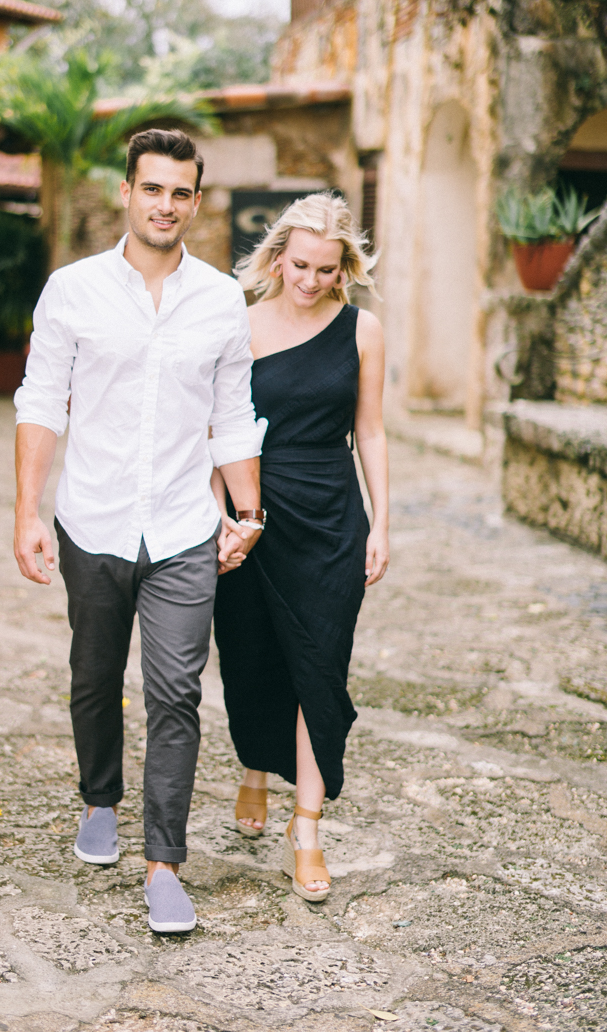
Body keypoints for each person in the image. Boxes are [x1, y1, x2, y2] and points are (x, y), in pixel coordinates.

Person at [13, 128, 265, 934]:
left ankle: (164, 866)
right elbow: (40, 401)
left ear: (197, 200)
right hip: (92, 519)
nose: (166, 204)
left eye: (181, 192)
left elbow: (232, 417)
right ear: (127, 192)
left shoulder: (223, 300)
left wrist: (247, 513)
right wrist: (27, 511)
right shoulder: (73, 290)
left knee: (176, 695)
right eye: (152, 188)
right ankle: (98, 798)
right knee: (93, 677)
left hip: (186, 528)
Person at [212, 190, 389, 903]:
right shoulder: (239, 323)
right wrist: (217, 516)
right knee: (253, 657)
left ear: (344, 267)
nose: (312, 282)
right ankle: (256, 768)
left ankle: (306, 827)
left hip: (330, 515)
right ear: (278, 258)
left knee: (319, 664)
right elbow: (215, 428)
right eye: (301, 266)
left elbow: (369, 430)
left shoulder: (363, 330)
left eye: (327, 269)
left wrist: (385, 522)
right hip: (252, 508)